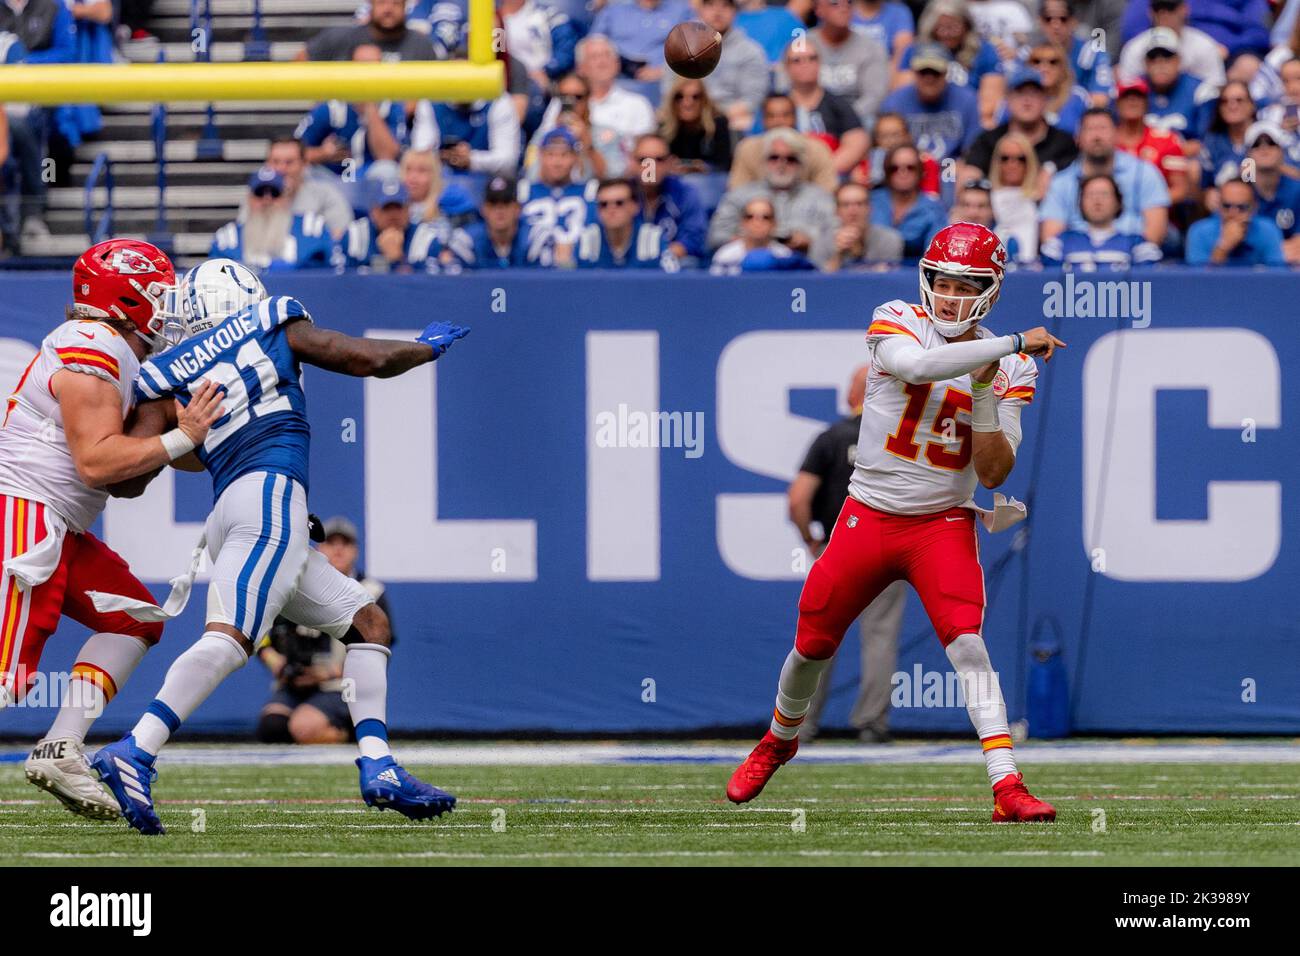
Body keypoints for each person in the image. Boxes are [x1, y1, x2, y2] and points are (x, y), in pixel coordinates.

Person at [91, 260, 471, 835]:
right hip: (267, 500)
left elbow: (126, 480)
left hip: (241, 509)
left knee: (366, 623)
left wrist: (183, 433)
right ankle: (135, 750)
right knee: (228, 640)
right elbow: (361, 357)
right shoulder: (272, 320)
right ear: (243, 299)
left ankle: (379, 765)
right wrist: (424, 349)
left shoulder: (162, 372)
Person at [726, 222, 1065, 823]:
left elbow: (992, 474)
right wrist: (1010, 342)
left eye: (969, 285)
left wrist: (987, 392)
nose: (953, 296)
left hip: (941, 522)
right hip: (870, 515)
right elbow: (914, 366)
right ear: (924, 279)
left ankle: (1007, 785)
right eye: (943, 281)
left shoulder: (1011, 368)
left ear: (990, 290)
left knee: (968, 645)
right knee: (811, 644)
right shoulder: (900, 318)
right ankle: (779, 739)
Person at [5, 240, 222, 819]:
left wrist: (198, 433)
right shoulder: (91, 344)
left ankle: (60, 746)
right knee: (4, 679)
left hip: (58, 521)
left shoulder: (121, 356)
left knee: (132, 617)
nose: (166, 308)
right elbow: (99, 464)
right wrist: (182, 436)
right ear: (123, 298)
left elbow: (130, 476)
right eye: (157, 295)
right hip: (24, 513)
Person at [788, 366, 906, 743]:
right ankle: (872, 723)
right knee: (880, 637)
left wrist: (811, 539)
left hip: (838, 548)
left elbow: (798, 499)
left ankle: (800, 724)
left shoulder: (831, 438)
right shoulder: (898, 437)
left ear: (851, 396)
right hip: (886, 547)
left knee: (819, 638)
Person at [256, 516, 394, 745]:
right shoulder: (294, 586)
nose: (338, 549)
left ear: (356, 550)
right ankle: (321, 732)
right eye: (331, 542)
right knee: (272, 728)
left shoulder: (371, 591)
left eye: (345, 543)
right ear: (319, 547)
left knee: (303, 727)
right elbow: (262, 634)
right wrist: (277, 663)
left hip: (339, 683)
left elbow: (381, 645)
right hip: (294, 684)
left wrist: (331, 671)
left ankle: (348, 733)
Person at [1040, 107, 1170, 248]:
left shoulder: (1144, 172)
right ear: (1077, 138)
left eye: (1103, 128)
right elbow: (1050, 239)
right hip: (1076, 262)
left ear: (1117, 135)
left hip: (1131, 261)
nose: (1097, 136)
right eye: (1090, 129)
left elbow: (1155, 234)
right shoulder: (1061, 182)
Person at [709, 128, 837, 267]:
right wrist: (751, 240)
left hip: (805, 270)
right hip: (745, 271)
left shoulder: (819, 197)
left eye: (790, 159)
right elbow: (716, 236)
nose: (781, 164)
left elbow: (834, 237)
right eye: (774, 158)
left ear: (801, 164)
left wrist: (810, 241)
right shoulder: (739, 195)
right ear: (764, 161)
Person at [294, 45, 407, 185]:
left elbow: (388, 156)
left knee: (388, 170)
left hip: (371, 180)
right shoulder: (331, 107)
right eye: (362, 67)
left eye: (373, 67)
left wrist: (369, 106)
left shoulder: (391, 107)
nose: (367, 74)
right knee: (304, 172)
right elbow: (294, 154)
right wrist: (323, 153)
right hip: (332, 180)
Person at [961, 65, 1078, 179]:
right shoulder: (989, 140)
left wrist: (1050, 172)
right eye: (1020, 93)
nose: (1027, 101)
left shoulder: (1063, 143)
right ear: (1008, 99)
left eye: (1034, 93)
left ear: (1045, 99)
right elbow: (971, 173)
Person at [900, 0, 1004, 126]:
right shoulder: (915, 51)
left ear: (966, 26)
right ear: (931, 27)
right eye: (941, 27)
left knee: (988, 123)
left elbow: (990, 104)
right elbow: (903, 95)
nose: (947, 33)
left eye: (953, 27)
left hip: (969, 117)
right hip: (922, 117)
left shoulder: (984, 51)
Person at [212, 169, 338, 272]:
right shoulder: (228, 238)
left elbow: (331, 272)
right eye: (260, 193)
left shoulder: (313, 230)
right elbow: (217, 277)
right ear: (249, 199)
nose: (267, 201)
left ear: (286, 197)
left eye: (275, 193)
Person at [879, 42, 982, 162]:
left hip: (952, 169)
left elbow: (973, 149)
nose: (929, 78)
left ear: (946, 72)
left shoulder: (967, 100)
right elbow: (885, 151)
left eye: (935, 72)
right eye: (923, 72)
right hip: (910, 170)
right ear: (914, 73)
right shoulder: (894, 103)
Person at [780, 40, 870, 176]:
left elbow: (856, 144)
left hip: (830, 177)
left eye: (812, 58)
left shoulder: (839, 104)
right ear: (786, 67)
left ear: (820, 63)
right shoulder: (777, 105)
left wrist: (820, 173)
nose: (806, 65)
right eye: (797, 60)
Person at [1039, 172, 1163, 269]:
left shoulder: (1137, 244)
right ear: (1080, 203)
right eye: (1090, 195)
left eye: (1104, 194)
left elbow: (1149, 281)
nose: (1097, 201)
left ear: (1118, 202)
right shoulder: (1059, 243)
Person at [242, 138, 354, 240]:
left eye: (289, 162)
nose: (281, 169)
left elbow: (341, 235)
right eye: (275, 162)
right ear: (267, 164)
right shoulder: (257, 194)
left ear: (304, 163)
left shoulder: (326, 194)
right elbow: (244, 234)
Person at [799, 0, 889, 127]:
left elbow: (874, 96)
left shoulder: (871, 48)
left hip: (857, 118)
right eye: (835, 3)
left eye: (849, 3)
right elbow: (788, 87)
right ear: (819, 9)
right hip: (811, 116)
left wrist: (844, 117)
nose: (844, 8)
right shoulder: (803, 44)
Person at [577, 34, 657, 174]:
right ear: (581, 68)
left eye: (607, 55)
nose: (602, 62)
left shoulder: (637, 104)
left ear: (617, 64)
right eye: (594, 57)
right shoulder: (566, 101)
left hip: (624, 183)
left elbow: (648, 157)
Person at [729, 94, 840, 193]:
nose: (778, 121)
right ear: (763, 120)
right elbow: (737, 191)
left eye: (785, 115)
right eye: (771, 116)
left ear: (795, 118)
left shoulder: (817, 149)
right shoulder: (747, 149)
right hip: (760, 212)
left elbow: (827, 192)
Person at [689, 0, 769, 133]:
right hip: (690, 116)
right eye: (710, 5)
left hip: (731, 120)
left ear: (735, 12)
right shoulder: (683, 48)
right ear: (700, 9)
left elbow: (752, 99)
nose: (717, 12)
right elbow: (670, 89)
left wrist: (715, 115)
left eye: (725, 5)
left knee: (745, 121)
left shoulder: (751, 51)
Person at [446, 175, 555, 269]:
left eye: (506, 203)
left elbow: (544, 285)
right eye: (493, 204)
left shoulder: (534, 237)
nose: (499, 211)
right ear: (484, 209)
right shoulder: (467, 240)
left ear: (518, 208)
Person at [570, 177, 677, 269]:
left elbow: (674, 280)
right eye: (603, 204)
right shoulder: (586, 238)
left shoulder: (653, 237)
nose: (611, 210)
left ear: (635, 206)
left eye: (619, 203)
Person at [410, 91, 522, 178]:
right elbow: (420, 152)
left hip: (487, 182)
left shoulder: (497, 100)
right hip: (440, 179)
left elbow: (508, 160)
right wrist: (443, 156)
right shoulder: (431, 100)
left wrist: (471, 159)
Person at [630, 133, 707, 260]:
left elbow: (693, 239)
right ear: (632, 162)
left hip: (671, 268)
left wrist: (657, 255)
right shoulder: (619, 196)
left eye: (659, 160)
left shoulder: (685, 193)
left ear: (670, 163)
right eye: (644, 160)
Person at [1113, 78, 1189, 204]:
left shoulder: (1167, 140)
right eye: (1126, 97)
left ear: (1146, 103)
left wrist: (1150, 206)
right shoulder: (1106, 142)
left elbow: (1179, 189)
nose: (1132, 101)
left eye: (1138, 96)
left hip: (1157, 215)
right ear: (1117, 104)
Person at [520, 127, 597, 249]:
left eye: (564, 155)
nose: (557, 162)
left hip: (579, 266)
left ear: (576, 157)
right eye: (551, 154)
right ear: (540, 156)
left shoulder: (590, 191)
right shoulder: (523, 191)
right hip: (532, 266)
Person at [341, 179, 443, 272]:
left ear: (408, 210)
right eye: (387, 208)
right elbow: (341, 280)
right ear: (374, 211)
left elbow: (430, 285)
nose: (393, 215)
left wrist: (398, 260)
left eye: (398, 208)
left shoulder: (426, 237)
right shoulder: (354, 235)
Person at [1117, 0, 1225, 87]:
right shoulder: (1135, 48)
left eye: (1170, 7)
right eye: (1158, 8)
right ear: (1150, 12)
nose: (1164, 13)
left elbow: (1215, 90)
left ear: (1184, 9)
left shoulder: (1204, 46)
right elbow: (1126, 92)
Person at [1185, 176, 1288, 267]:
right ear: (1219, 206)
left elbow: (1277, 277)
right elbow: (1199, 283)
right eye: (1227, 206)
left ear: (1254, 207)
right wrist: (1223, 247)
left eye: (1242, 207)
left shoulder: (1268, 230)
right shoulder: (1199, 232)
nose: (1233, 213)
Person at [871, 144, 948, 258]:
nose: (903, 173)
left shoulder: (934, 208)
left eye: (910, 168)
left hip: (914, 273)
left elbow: (934, 254)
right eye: (894, 168)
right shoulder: (871, 201)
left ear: (920, 171)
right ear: (887, 172)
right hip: (869, 271)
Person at [302, 0, 438, 61]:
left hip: (404, 117)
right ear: (370, 5)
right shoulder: (340, 37)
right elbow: (300, 61)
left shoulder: (421, 45)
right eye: (382, 2)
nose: (388, 9)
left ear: (405, 7)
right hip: (350, 116)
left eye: (396, 3)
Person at [589, 0, 690, 82]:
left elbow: (693, 49)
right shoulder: (614, 10)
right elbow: (593, 43)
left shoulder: (680, 10)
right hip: (618, 78)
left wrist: (665, 71)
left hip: (663, 79)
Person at [1036, 0, 1113, 107]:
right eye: (1048, 19)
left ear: (1073, 22)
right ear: (1040, 22)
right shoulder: (1030, 54)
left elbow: (1100, 100)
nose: (1056, 25)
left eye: (1063, 19)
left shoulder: (1092, 53)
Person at [1140, 27, 1209, 145]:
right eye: (1153, 58)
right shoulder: (1133, 90)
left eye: (1167, 57)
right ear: (1145, 63)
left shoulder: (1200, 90)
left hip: (1184, 160)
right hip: (1142, 158)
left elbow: (1206, 142)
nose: (1160, 64)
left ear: (1178, 60)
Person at [1244, 121, 1300, 263]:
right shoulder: (1239, 190)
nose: (1264, 148)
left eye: (1271, 143)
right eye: (1256, 144)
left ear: (1282, 151)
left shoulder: (1297, 190)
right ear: (1248, 154)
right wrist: (1273, 251)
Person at [659, 76, 733, 173]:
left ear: (704, 100)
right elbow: (651, 171)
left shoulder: (718, 124)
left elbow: (725, 166)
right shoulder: (664, 127)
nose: (687, 103)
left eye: (695, 97)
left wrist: (703, 167)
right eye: (679, 97)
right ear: (672, 101)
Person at [824, 181, 904, 271]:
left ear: (870, 208)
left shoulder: (889, 240)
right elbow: (817, 281)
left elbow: (890, 280)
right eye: (845, 205)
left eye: (859, 204)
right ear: (837, 210)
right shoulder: (824, 241)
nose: (853, 211)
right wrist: (837, 255)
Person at [988, 134, 1042, 262]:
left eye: (1020, 159)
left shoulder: (1041, 198)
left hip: (1030, 267)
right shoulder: (985, 196)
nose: (1012, 164)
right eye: (1005, 158)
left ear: (1029, 162)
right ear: (997, 162)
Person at [500, 0, 579, 88]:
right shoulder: (491, 17)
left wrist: (547, 70)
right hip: (501, 79)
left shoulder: (549, 15)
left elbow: (566, 49)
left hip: (538, 80)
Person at [709, 196, 797, 274]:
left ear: (774, 224)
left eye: (765, 217)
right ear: (742, 222)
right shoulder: (725, 255)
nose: (757, 222)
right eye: (750, 217)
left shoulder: (784, 256)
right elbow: (715, 288)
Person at [852, 0, 914, 74]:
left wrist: (886, 77)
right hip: (850, 73)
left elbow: (903, 51)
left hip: (886, 74)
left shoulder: (899, 12)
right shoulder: (843, 10)